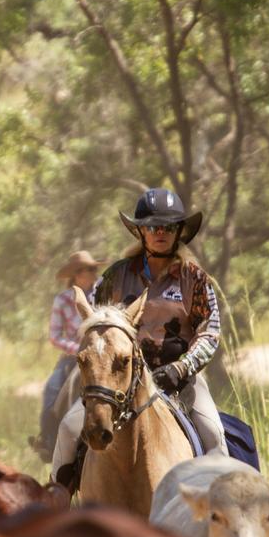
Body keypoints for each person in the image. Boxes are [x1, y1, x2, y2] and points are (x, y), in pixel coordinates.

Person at [52, 188, 228, 477]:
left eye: (168, 227)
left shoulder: (195, 278)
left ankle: (219, 507)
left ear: (178, 231)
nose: (161, 232)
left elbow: (210, 333)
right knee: (68, 429)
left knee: (214, 435)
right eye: (153, 227)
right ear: (141, 233)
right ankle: (58, 498)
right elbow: (97, 327)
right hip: (119, 379)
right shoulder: (115, 276)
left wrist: (181, 368)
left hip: (180, 380)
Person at [30, 250, 103, 460]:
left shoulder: (103, 294)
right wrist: (77, 349)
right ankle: (47, 441)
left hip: (101, 355)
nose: (94, 272)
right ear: (77, 274)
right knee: (51, 392)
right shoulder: (62, 300)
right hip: (72, 358)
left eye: (94, 268)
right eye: (89, 269)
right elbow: (55, 336)